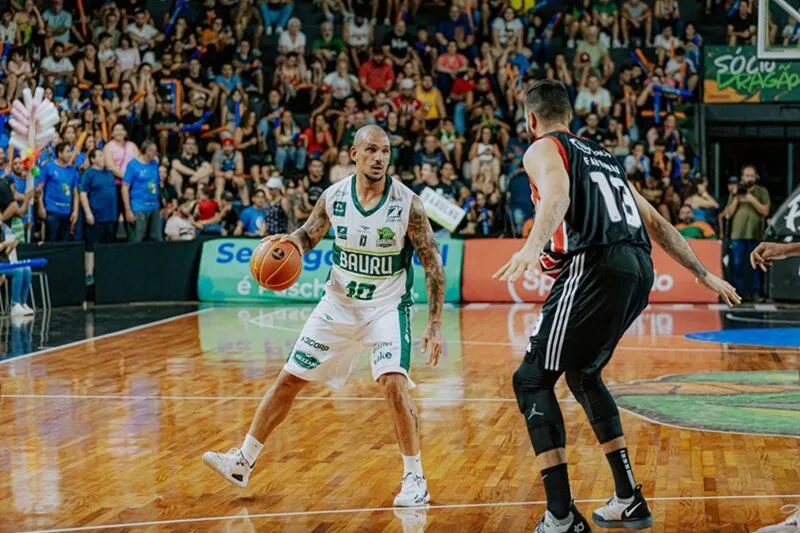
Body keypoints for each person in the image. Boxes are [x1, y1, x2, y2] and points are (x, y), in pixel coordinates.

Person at [495, 80, 739, 533]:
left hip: (596, 263)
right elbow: (657, 222)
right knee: (584, 375)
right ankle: (628, 499)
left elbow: (557, 195)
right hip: (639, 267)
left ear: (531, 119)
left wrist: (532, 246)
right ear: (571, 113)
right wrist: (701, 273)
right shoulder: (606, 157)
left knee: (530, 381)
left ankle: (562, 516)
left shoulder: (542, 148)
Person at [203, 125, 445, 508]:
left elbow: (432, 264)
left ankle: (415, 477)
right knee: (288, 381)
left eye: (385, 151)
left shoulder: (407, 204)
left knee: (393, 383)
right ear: (354, 154)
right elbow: (308, 235)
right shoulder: (334, 197)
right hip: (338, 304)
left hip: (386, 306)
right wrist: (285, 246)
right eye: (371, 150)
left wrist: (433, 324)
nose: (379, 158)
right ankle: (243, 461)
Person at [722, 165, 770, 299]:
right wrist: (737, 198)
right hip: (737, 235)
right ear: (742, 177)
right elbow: (727, 214)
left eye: (751, 176)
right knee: (737, 264)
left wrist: (751, 199)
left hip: (755, 235)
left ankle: (756, 292)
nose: (749, 178)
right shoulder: (735, 192)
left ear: (756, 178)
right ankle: (737, 293)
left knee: (757, 264)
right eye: (746, 175)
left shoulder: (762, 192)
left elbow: (765, 211)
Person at [80, 149, 118, 286]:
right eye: (100, 156)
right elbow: (83, 193)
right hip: (96, 215)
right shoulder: (89, 174)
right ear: (92, 159)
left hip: (110, 215)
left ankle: (105, 271)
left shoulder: (109, 172)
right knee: (91, 246)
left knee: (107, 245)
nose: (103, 158)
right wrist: (88, 212)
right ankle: (89, 273)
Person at [122, 140, 162, 242]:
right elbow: (125, 187)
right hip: (139, 206)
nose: (156, 154)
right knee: (136, 239)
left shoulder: (154, 164)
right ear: (146, 151)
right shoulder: (133, 165)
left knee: (156, 239)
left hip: (154, 206)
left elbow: (156, 183)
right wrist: (128, 210)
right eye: (153, 151)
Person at [40, 142, 80, 242]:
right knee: (50, 242)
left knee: (64, 244)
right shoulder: (48, 167)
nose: (70, 154)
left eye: (70, 151)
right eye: (67, 151)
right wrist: (41, 207)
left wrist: (75, 211)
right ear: (59, 153)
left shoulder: (73, 171)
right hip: (52, 211)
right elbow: (40, 189)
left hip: (67, 213)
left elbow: (75, 193)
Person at [0, 222, 33, 317]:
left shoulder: (1, 232)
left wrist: (10, 247)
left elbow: (4, 255)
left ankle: (23, 303)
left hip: (3, 263)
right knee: (18, 271)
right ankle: (15, 305)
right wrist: (4, 244)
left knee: (26, 268)